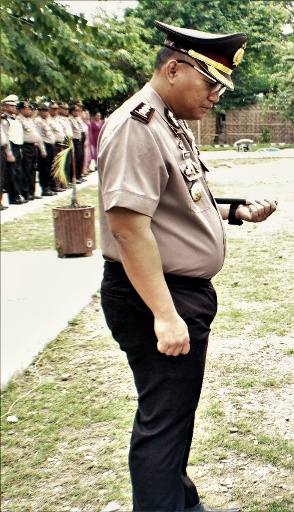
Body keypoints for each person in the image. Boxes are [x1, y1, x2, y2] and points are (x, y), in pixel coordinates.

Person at [98, 20, 276, 512]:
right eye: (210, 82)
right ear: (173, 69)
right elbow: (129, 228)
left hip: (177, 292)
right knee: (163, 423)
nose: (216, 94)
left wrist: (233, 212)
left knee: (174, 418)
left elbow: (176, 204)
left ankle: (180, 502)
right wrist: (164, 313)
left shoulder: (167, 122)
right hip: (156, 295)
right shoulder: (137, 126)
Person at [17, 100, 45, 200]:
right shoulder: (19, 120)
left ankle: (32, 191)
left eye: (30, 109)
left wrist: (41, 148)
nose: (30, 111)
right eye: (27, 109)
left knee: (33, 169)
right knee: (26, 169)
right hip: (26, 146)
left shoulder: (30, 120)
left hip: (34, 146)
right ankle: (25, 192)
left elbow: (36, 135)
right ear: (21, 110)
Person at [1, 96, 25, 204]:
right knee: (12, 173)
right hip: (10, 146)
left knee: (19, 172)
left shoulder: (15, 119)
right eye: (11, 106)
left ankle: (18, 193)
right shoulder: (5, 120)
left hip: (18, 146)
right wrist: (9, 152)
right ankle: (14, 196)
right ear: (5, 106)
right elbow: (6, 136)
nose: (14, 108)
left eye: (15, 106)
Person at [34, 102, 57, 196]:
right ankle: (45, 188)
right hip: (44, 145)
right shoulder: (38, 121)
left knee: (50, 167)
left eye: (46, 111)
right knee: (44, 168)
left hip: (50, 145)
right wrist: (42, 149)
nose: (45, 113)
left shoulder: (46, 121)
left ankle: (50, 186)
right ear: (39, 111)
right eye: (43, 111)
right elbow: (38, 136)